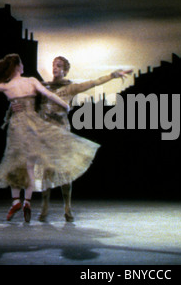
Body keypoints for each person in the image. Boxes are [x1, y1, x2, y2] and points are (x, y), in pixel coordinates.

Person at [0, 53, 99, 223]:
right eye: (21, 64)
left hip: (16, 125)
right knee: (31, 165)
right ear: (18, 67)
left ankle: (16, 201)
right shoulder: (31, 81)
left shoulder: (7, 86)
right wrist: (65, 104)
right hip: (33, 124)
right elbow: (48, 95)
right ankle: (28, 202)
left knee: (14, 162)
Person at [33, 56, 132, 221]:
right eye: (54, 65)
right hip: (46, 134)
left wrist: (113, 75)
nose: (55, 68)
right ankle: (44, 207)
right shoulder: (44, 87)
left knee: (65, 171)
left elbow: (94, 82)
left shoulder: (71, 88)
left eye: (59, 66)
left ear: (65, 70)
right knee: (46, 171)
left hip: (62, 133)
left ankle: (67, 207)